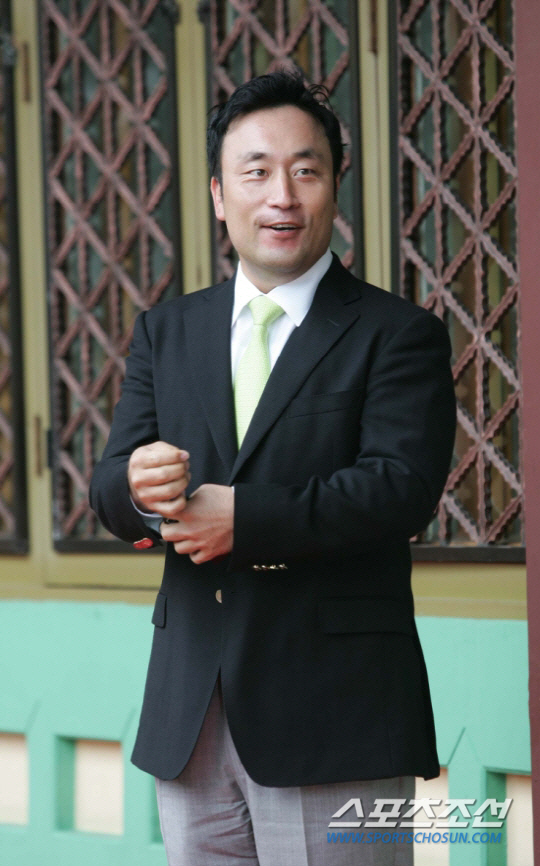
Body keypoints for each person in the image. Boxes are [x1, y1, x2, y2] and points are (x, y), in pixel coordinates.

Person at [90, 71, 456, 866]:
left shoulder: (398, 334)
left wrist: (245, 520)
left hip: (337, 714)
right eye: (255, 172)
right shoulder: (166, 331)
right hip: (191, 715)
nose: (281, 196)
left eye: (305, 170)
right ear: (220, 196)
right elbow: (112, 483)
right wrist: (138, 490)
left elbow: (400, 488)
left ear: (335, 185)